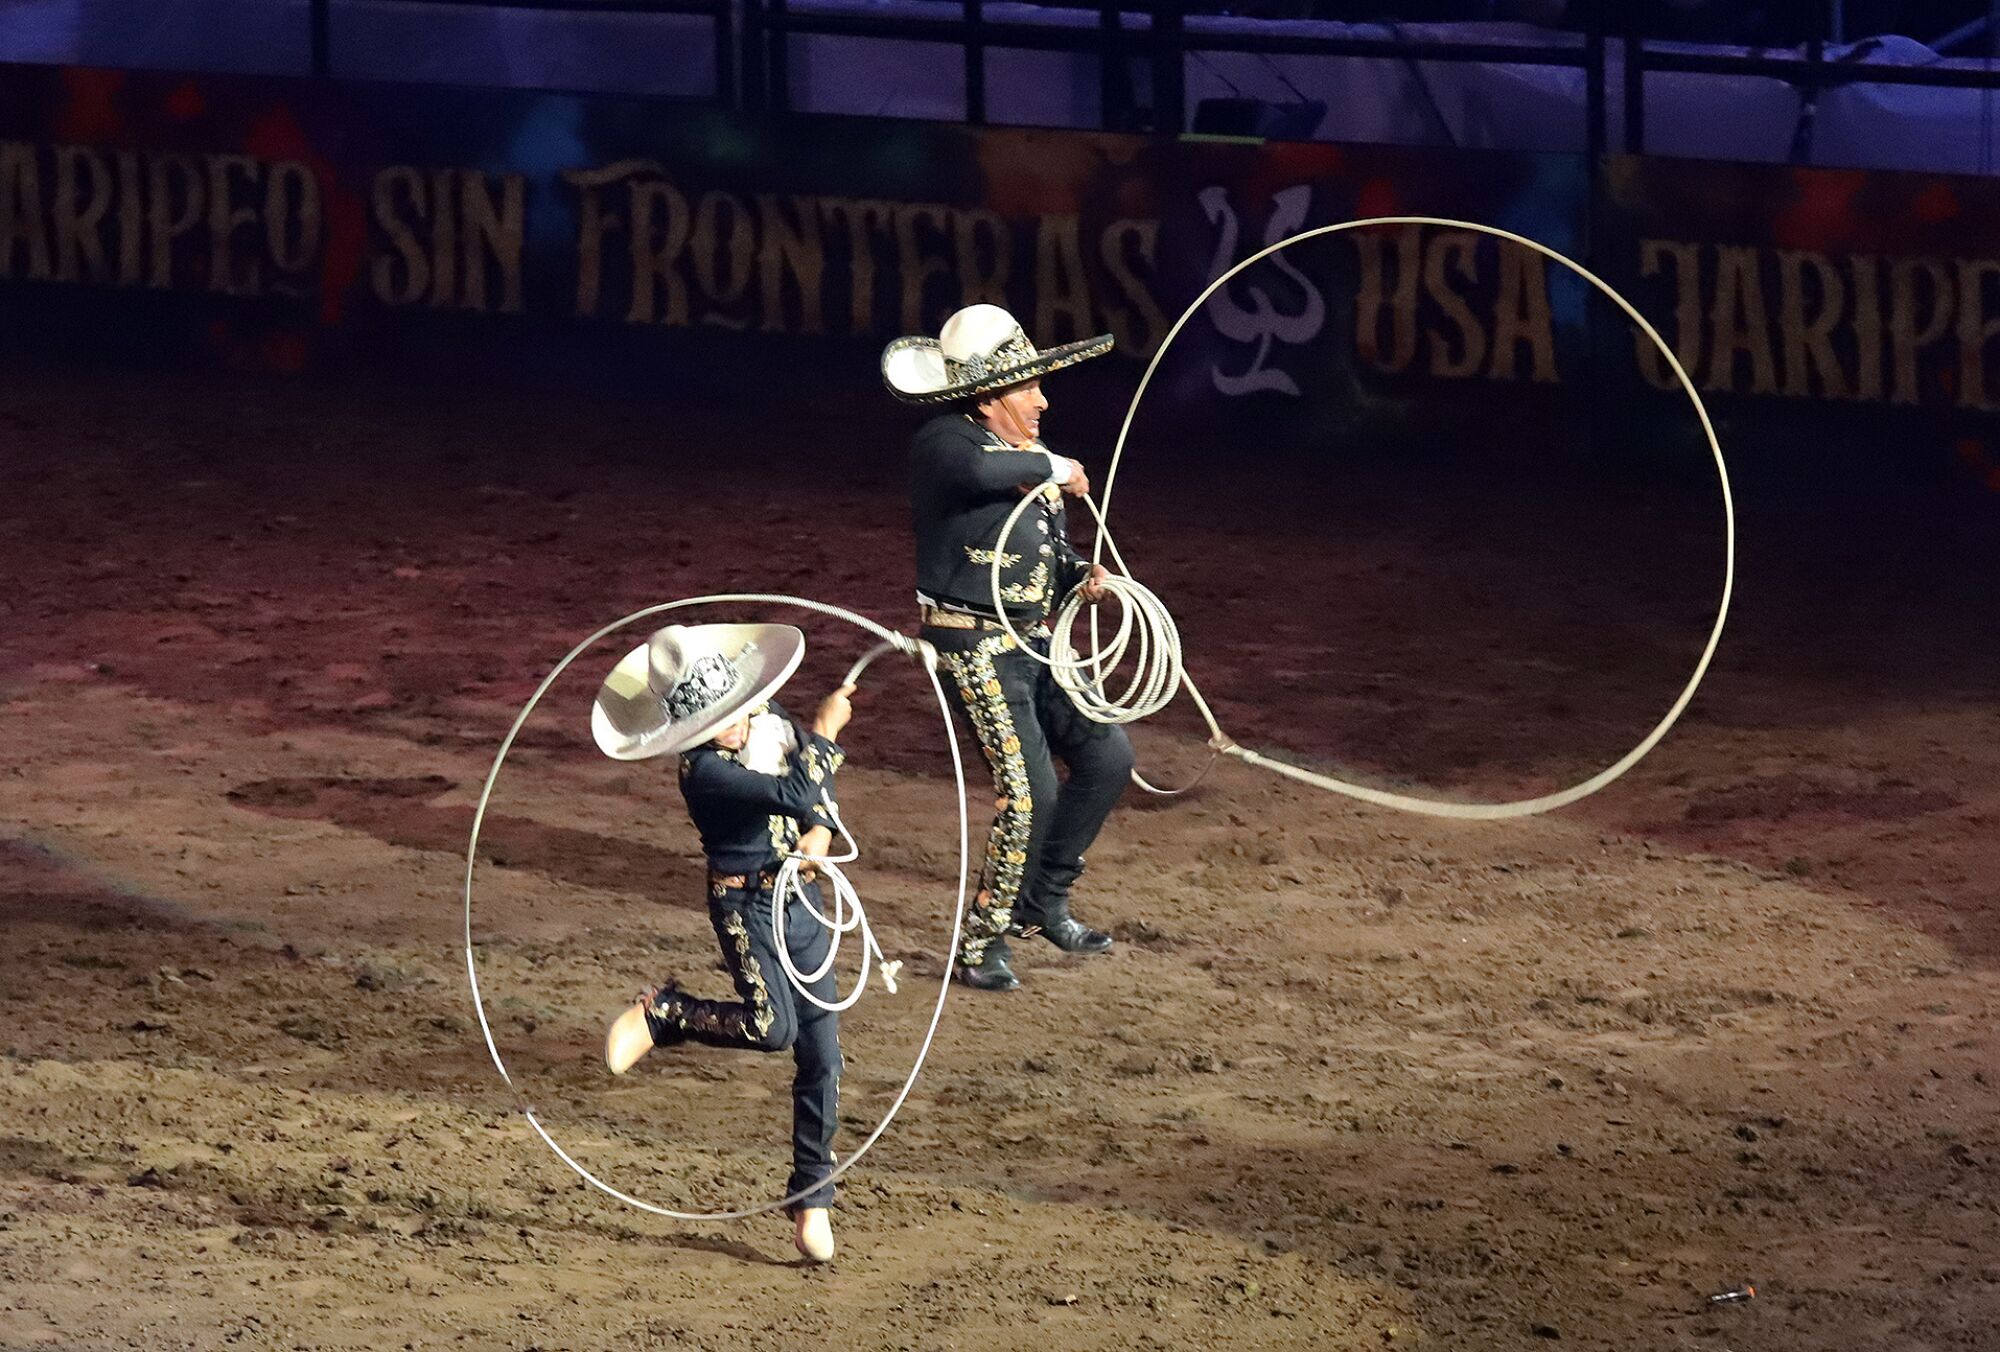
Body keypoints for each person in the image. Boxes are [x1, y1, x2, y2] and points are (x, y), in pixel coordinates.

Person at [881, 304, 1136, 992]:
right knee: (1029, 792)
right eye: (1030, 389)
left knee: (1108, 757)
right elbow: (985, 476)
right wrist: (1054, 465)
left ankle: (1042, 901)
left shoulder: (1022, 461)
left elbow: (1039, 550)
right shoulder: (942, 442)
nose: (1043, 399)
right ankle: (983, 940)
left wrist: (1080, 575)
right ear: (991, 397)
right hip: (974, 643)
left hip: (1031, 636)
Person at [592, 622, 855, 1263]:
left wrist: (816, 841)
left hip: (800, 901)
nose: (738, 725)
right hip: (745, 907)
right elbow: (796, 787)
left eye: (738, 712)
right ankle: (668, 1013)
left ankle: (812, 1195)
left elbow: (813, 799)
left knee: (822, 1052)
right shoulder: (705, 773)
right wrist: (828, 727)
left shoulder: (769, 724)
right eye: (720, 720)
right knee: (773, 1028)